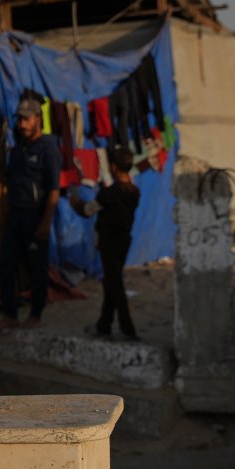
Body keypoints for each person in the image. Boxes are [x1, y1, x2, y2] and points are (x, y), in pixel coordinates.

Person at [0, 94, 62, 332]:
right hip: (17, 216)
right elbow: (7, 178)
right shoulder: (19, 149)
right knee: (6, 265)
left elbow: (54, 189)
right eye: (20, 120)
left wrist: (45, 222)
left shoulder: (48, 149)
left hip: (36, 217)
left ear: (37, 119)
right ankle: (10, 314)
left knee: (36, 267)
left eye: (26, 119)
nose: (22, 124)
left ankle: (35, 314)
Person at [70, 146, 140, 341]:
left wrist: (74, 203)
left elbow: (87, 211)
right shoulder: (134, 192)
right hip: (124, 241)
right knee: (111, 283)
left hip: (109, 242)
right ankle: (104, 325)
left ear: (115, 167)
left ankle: (128, 329)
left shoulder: (108, 194)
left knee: (114, 285)